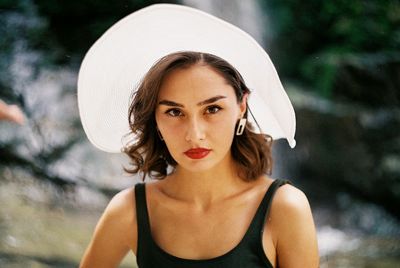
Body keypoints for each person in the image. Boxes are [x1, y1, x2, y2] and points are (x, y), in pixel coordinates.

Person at [78, 4, 319, 268]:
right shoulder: (129, 211)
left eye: (212, 109)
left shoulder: (285, 208)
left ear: (241, 107)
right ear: (154, 120)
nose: (194, 134)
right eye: (173, 112)